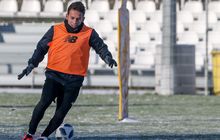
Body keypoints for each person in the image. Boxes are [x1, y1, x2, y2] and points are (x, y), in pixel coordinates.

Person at [20, 1, 117, 140]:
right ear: (67, 16)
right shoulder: (55, 30)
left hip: (75, 80)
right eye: (72, 18)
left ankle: (44, 137)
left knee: (61, 114)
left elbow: (100, 47)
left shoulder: (89, 33)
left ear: (83, 18)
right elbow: (41, 48)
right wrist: (32, 64)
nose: (75, 21)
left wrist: (107, 57)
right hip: (54, 75)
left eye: (78, 18)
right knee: (43, 103)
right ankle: (29, 134)